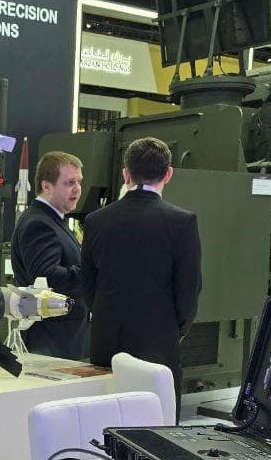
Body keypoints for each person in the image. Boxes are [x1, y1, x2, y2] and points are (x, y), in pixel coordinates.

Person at [80, 137, 202, 420]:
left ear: (126, 174)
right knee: (157, 426)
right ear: (168, 174)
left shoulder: (96, 221)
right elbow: (188, 291)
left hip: (107, 343)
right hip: (158, 344)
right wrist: (172, 329)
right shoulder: (182, 222)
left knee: (106, 423)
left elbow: (88, 287)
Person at [9, 150, 90, 360]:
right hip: (53, 342)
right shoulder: (39, 224)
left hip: (63, 340)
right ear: (47, 186)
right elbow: (46, 278)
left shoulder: (52, 220)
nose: (77, 189)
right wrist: (91, 270)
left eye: (79, 182)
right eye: (69, 182)